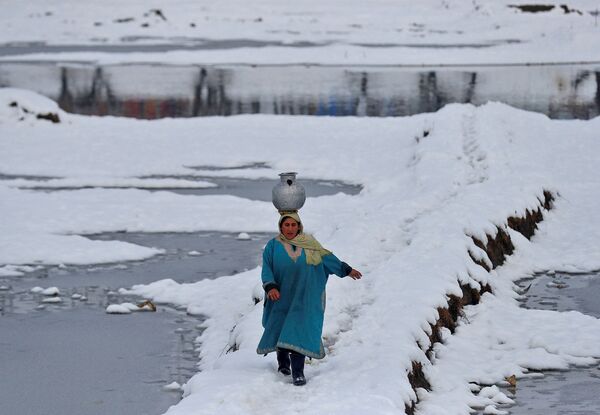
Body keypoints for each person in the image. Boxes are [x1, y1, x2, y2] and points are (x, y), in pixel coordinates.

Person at [257, 212, 362, 386]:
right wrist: (270, 286)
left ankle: (298, 372)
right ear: (281, 226)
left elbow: (328, 258)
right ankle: (283, 363)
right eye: (286, 225)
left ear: (299, 226)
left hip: (304, 298)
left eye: (293, 225)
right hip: (281, 296)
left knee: (299, 331)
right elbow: (267, 268)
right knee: (282, 329)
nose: (290, 228)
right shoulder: (272, 246)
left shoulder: (311, 245)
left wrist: (346, 270)